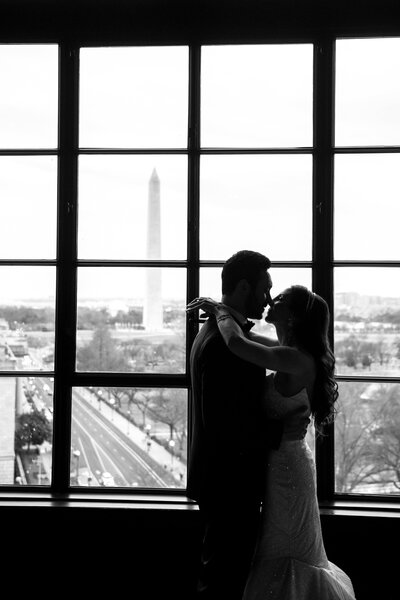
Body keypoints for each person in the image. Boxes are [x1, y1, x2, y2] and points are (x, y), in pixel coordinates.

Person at [186, 285, 357, 600]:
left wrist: (222, 311)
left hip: (289, 471)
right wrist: (221, 311)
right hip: (278, 465)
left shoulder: (296, 359)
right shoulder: (288, 352)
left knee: (288, 549)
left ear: (292, 317)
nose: (270, 299)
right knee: (273, 549)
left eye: (279, 299)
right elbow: (246, 338)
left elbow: (237, 343)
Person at [186, 250, 283, 600]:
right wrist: (279, 433)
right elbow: (225, 424)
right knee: (223, 580)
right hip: (230, 483)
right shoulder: (225, 344)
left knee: (223, 574)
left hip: (221, 480)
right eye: (264, 289)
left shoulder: (214, 330)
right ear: (244, 287)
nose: (268, 299)